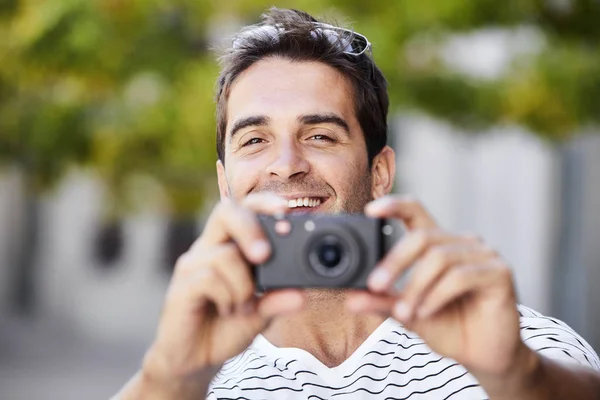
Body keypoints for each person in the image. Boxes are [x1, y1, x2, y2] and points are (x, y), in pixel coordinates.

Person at [115, 7, 600, 399]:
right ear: (225, 184)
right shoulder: (189, 380)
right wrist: (168, 379)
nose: (286, 165)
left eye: (320, 135)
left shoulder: (514, 347)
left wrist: (517, 376)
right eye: (255, 140)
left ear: (380, 172)